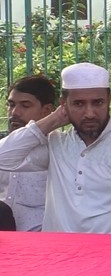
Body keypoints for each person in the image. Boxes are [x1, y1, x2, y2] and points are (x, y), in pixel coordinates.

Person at [0, 63, 111, 234]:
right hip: (57, 248)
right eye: (79, 104)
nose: (89, 113)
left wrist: (108, 250)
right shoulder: (57, 143)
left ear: (109, 100)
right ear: (63, 104)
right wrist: (53, 120)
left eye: (97, 103)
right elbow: (4, 159)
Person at [0, 75, 55, 231]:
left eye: (25, 106)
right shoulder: (4, 147)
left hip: (39, 239)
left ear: (46, 111)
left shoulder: (58, 150)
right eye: (11, 105)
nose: (14, 112)